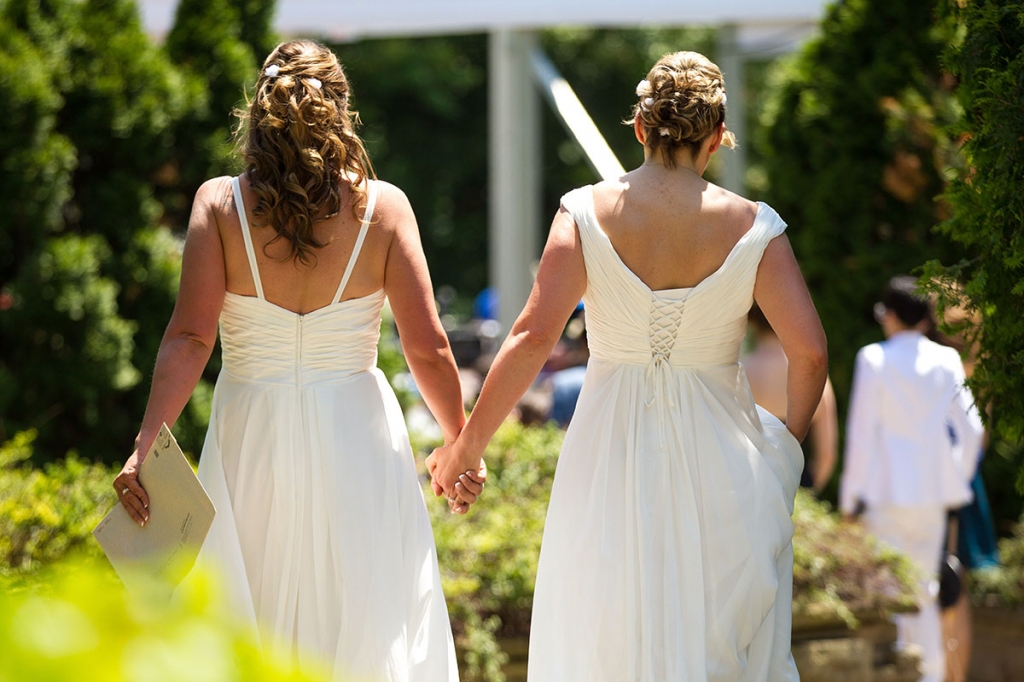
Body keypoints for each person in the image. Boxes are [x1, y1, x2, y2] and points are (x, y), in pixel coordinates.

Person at [428, 51, 827, 680]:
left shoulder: (584, 212)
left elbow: (532, 336)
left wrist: (465, 447)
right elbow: (811, 353)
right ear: (719, 136)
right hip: (723, 458)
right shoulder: (756, 228)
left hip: (608, 451)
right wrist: (787, 448)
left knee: (604, 630)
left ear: (640, 128)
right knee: (712, 640)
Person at [112, 40, 482, 681]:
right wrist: (459, 443)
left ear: (258, 114)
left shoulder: (219, 205)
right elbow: (429, 347)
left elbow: (190, 339)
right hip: (358, 434)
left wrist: (146, 446)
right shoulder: (384, 208)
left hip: (253, 431)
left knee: (253, 606)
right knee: (367, 609)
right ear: (341, 110)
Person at [840, 275, 984, 682]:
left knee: (889, 597)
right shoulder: (946, 360)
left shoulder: (874, 358)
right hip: (932, 497)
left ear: (890, 316)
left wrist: (849, 500)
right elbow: (972, 429)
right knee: (926, 592)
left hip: (885, 496)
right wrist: (956, 476)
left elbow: (861, 435)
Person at [743, 303, 838, 492]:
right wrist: (807, 494)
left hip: (750, 489)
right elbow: (827, 455)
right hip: (796, 490)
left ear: (751, 322)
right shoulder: (814, 375)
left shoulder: (740, 372)